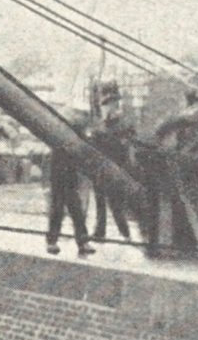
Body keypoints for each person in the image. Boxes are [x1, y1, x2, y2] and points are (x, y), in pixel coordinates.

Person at [46, 118, 96, 256]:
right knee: (60, 212)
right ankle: (54, 241)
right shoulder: (61, 145)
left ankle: (76, 242)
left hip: (70, 183)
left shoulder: (67, 144)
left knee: (74, 213)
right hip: (60, 182)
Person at [91, 106, 134, 242]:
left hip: (106, 171)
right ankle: (123, 233)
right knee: (112, 204)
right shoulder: (119, 133)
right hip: (109, 171)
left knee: (106, 204)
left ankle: (102, 233)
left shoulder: (104, 132)